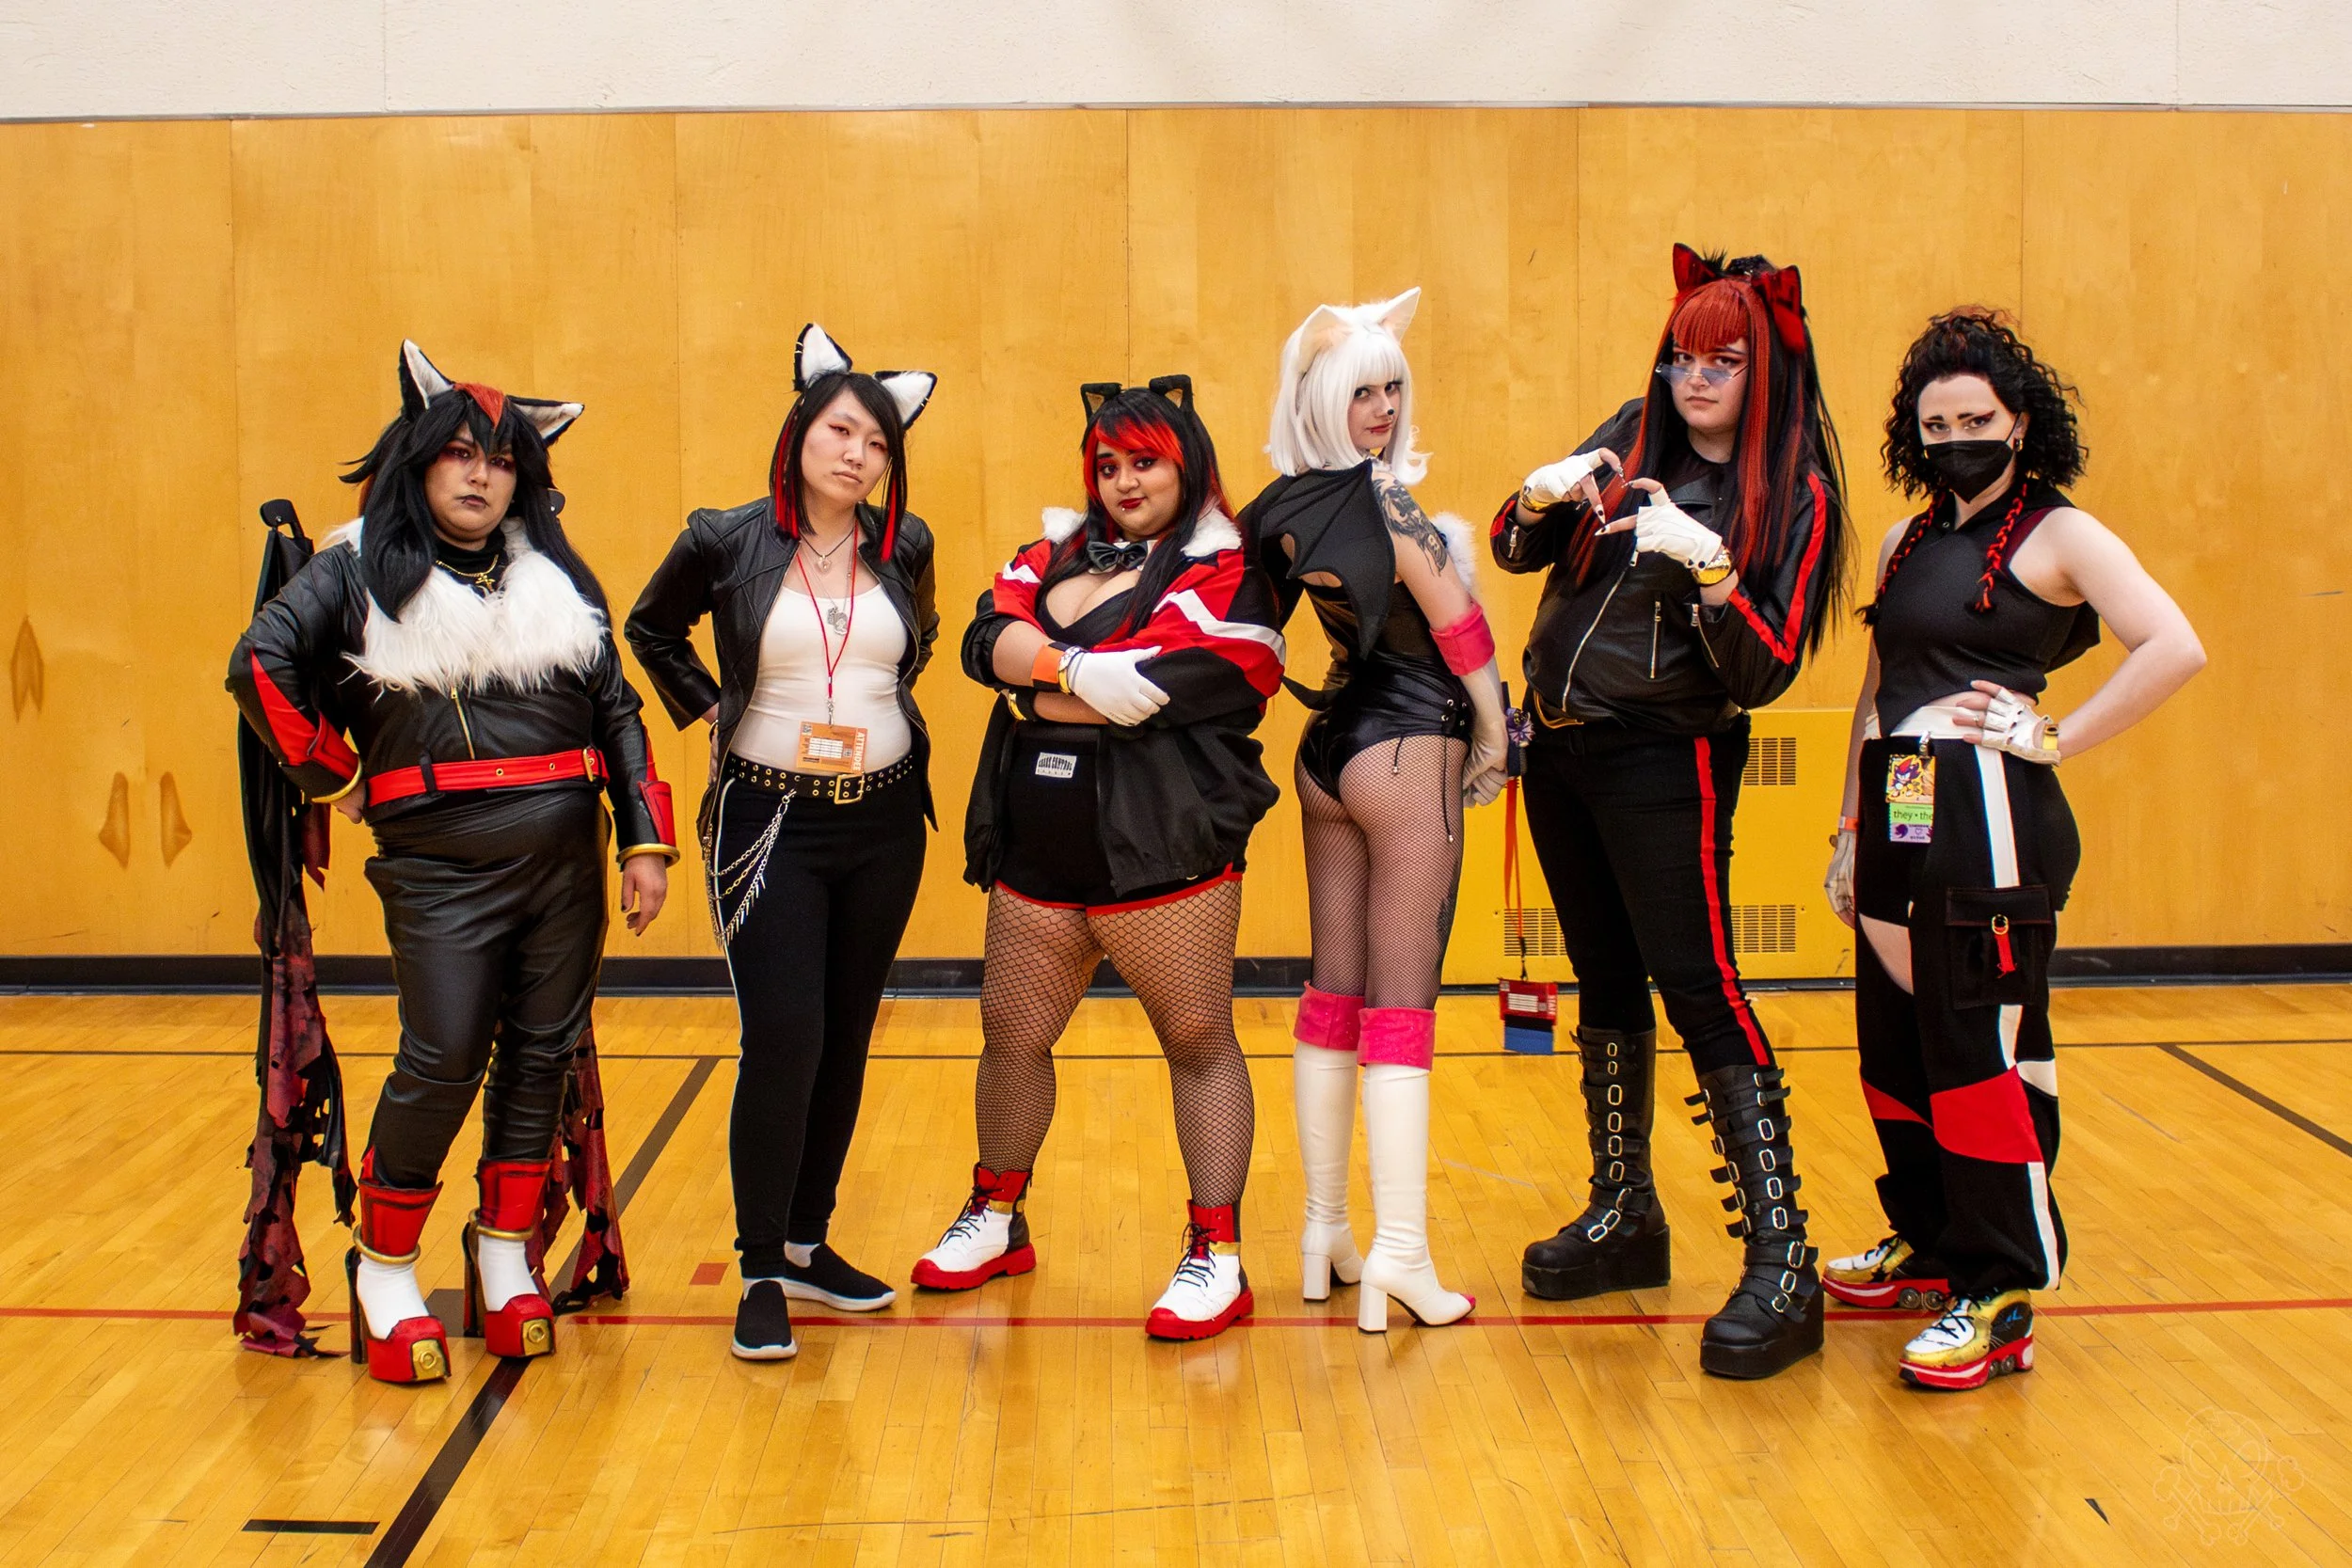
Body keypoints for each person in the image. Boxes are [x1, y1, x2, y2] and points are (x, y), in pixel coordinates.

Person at [229, 341, 675, 1385]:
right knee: (441, 1059)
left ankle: (505, 1252)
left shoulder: (557, 578)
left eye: (502, 460)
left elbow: (618, 710)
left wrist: (644, 839)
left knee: (540, 1054)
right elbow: (258, 663)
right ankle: (385, 1267)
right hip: (438, 868)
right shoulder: (350, 568)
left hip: (569, 860)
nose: (481, 475)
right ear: (418, 461)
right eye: (460, 454)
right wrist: (335, 775)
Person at [1820, 309, 2202, 1389]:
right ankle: (1931, 1243)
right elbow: (1877, 691)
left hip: (1989, 810)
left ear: (2019, 421)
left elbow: (2174, 645)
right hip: (1898, 800)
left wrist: (2056, 736)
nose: (1955, 438)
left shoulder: (2062, 536)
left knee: (1977, 1046)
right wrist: (1849, 829)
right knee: (1896, 1039)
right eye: (1935, 424)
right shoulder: (1903, 543)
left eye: (1975, 419)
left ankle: (2000, 1289)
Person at [1490, 245, 1851, 1378]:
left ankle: (1783, 1259)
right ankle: (1625, 1212)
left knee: (1699, 984)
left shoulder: (1794, 495)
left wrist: (1712, 574)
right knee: (1603, 977)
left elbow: (1764, 667)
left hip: (1666, 756)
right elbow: (1513, 549)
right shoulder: (1629, 436)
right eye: (1682, 358)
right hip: (1558, 747)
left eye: (1722, 361)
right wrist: (1534, 496)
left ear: (1763, 372)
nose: (1694, 379)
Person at [912, 377, 1284, 1341]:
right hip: (1035, 840)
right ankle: (996, 1213)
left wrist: (1035, 682)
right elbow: (983, 639)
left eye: (1145, 462)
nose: (1123, 481)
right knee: (1010, 1033)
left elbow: (1185, 679)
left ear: (1187, 463)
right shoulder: (1052, 548)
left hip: (1164, 845)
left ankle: (1217, 1254)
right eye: (1107, 464)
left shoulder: (1228, 566)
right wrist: (1075, 673)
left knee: (1197, 1039)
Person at [627, 325, 939, 1362]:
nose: (858, 454)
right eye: (842, 431)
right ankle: (760, 1264)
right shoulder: (725, 538)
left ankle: (808, 1242)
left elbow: (918, 641)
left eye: (878, 443)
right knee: (786, 1034)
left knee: (847, 1034)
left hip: (885, 820)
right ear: (801, 429)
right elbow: (650, 627)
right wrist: (710, 706)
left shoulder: (906, 544)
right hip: (768, 823)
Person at [1246, 289, 1510, 1335]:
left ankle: (1326, 1232)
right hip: (1407, 752)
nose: (1386, 407)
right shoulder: (1388, 504)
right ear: (1324, 398)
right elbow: (1463, 630)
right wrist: (1496, 736)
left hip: (1328, 753)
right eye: (1364, 391)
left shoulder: (1280, 506)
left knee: (1332, 991)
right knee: (1400, 1006)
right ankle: (1401, 1250)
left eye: (1394, 387)